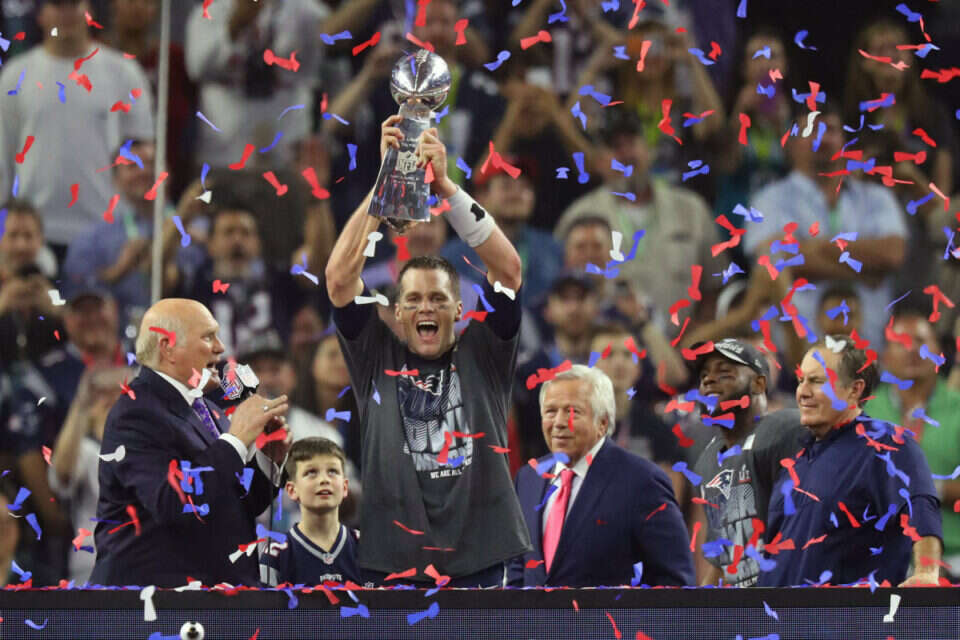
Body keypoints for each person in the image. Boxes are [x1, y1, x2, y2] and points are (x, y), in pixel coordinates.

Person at [324, 116, 530, 587]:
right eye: (413, 299)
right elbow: (338, 279)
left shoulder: (486, 352)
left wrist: (445, 187)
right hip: (394, 560)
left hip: (482, 557)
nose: (426, 307)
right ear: (396, 312)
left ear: (459, 308)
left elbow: (508, 270)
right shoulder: (375, 357)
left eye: (438, 298)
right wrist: (386, 184)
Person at [90, 298, 292, 587]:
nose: (221, 347)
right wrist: (235, 440)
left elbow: (232, 505)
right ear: (167, 347)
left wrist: (268, 460)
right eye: (208, 337)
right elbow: (173, 503)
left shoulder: (208, 410)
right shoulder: (136, 412)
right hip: (157, 603)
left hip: (216, 596)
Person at [759, 338, 943, 587]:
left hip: (850, 612)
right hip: (777, 611)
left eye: (817, 381)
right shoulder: (796, 462)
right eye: (801, 380)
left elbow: (920, 506)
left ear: (855, 390)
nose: (802, 392)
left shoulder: (886, 444)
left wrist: (926, 573)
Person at [508, 365, 694, 587]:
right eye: (550, 411)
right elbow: (518, 568)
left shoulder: (643, 481)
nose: (559, 422)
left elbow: (674, 580)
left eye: (572, 412)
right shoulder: (528, 478)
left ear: (602, 423)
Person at [743, 103, 908, 349]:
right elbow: (773, 260)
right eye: (811, 129)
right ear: (790, 143)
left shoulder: (876, 197)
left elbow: (893, 253)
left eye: (830, 129)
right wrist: (865, 271)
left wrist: (817, 247)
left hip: (872, 353)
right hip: (797, 354)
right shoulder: (769, 199)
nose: (822, 137)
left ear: (844, 141)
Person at [0, 0, 154, 257]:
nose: (67, 13)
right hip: (35, 234)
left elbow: (144, 157)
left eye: (74, 4)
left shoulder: (124, 73)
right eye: (57, 4)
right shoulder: (15, 76)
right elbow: (3, 159)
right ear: (41, 14)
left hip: (107, 229)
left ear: (89, 10)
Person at [552, 111, 722, 332]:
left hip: (681, 345)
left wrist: (696, 339)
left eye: (631, 143)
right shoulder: (578, 216)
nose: (625, 154)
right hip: (605, 346)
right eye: (615, 147)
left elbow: (714, 287)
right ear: (599, 161)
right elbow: (561, 289)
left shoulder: (691, 209)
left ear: (650, 152)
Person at [690, 338, 805, 586]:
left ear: (758, 383)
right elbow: (724, 560)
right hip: (745, 604)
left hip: (791, 598)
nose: (708, 380)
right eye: (704, 375)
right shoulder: (707, 462)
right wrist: (698, 606)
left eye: (724, 373)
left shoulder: (786, 431)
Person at [62, 142, 207, 332]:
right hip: (121, 341)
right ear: (116, 181)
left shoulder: (202, 230)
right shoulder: (93, 240)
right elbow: (73, 295)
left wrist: (210, 246)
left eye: (152, 163)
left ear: (168, 173)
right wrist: (116, 271)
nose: (144, 172)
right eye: (132, 166)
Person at [864, 308, 960, 581]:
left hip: (955, 556)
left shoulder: (958, 406)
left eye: (920, 341)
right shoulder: (866, 413)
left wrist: (929, 489)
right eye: (900, 342)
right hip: (882, 560)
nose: (911, 349)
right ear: (884, 355)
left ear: (939, 353)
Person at [48, 365, 132, 584]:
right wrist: (81, 405)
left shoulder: (144, 446)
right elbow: (62, 473)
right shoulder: (85, 450)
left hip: (140, 562)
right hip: (93, 563)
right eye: (104, 396)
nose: (113, 402)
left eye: (120, 394)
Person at [259, 437, 360, 586]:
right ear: (292, 490)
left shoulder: (364, 548)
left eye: (332, 471)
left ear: (345, 487)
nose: (324, 480)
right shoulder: (276, 555)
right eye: (311, 472)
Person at [0, 201, 63, 364]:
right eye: (13, 235)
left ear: (40, 240)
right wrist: (3, 304)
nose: (21, 246)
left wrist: (55, 311)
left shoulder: (56, 287)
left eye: (28, 236)